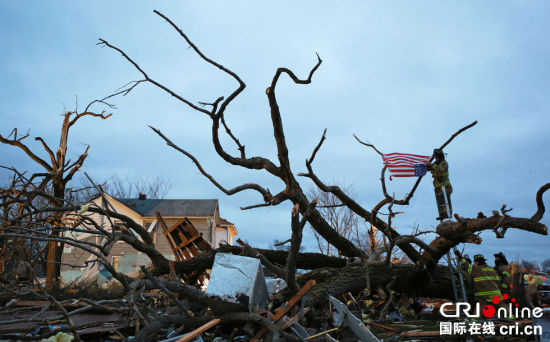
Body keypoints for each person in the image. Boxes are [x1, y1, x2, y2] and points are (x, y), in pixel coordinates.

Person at [427, 149, 452, 220]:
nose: (435, 158)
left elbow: (440, 169)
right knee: (440, 202)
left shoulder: (444, 163)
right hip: (438, 186)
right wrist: (427, 165)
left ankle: (448, 214)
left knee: (446, 201)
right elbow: (430, 168)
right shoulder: (436, 163)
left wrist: (431, 165)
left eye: (436, 156)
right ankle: (442, 214)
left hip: (445, 186)